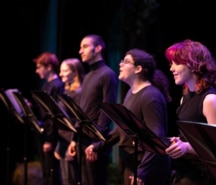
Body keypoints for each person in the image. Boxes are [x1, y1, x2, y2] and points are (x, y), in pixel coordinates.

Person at [85, 48, 172, 185]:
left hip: (148, 169)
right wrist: (99, 145)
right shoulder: (131, 92)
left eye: (126, 62)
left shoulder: (151, 96)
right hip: (132, 164)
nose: (120, 64)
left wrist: (143, 171)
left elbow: (156, 137)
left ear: (138, 69)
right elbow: (122, 129)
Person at [164, 39, 216, 185]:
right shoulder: (185, 98)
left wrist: (186, 147)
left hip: (204, 178)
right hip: (186, 174)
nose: (171, 69)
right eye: (171, 64)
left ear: (193, 64)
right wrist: (178, 143)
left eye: (176, 63)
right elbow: (190, 139)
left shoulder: (210, 100)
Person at [67, 34, 118, 185]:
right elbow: (82, 110)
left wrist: (97, 144)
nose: (80, 51)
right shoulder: (88, 76)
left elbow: (107, 110)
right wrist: (74, 139)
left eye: (85, 46)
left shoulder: (107, 74)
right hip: (82, 139)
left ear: (98, 48)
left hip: (93, 142)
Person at [33, 51, 64, 185]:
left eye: (39, 67)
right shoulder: (46, 85)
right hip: (44, 133)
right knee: (46, 173)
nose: (37, 71)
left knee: (52, 174)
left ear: (49, 67)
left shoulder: (57, 85)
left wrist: (50, 140)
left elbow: (54, 115)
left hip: (51, 137)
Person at [54, 58, 85, 185]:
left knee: (71, 180)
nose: (60, 74)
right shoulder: (66, 91)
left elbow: (77, 122)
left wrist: (71, 144)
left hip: (71, 143)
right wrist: (58, 145)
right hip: (63, 141)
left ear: (75, 72)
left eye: (65, 71)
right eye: (61, 71)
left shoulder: (79, 94)